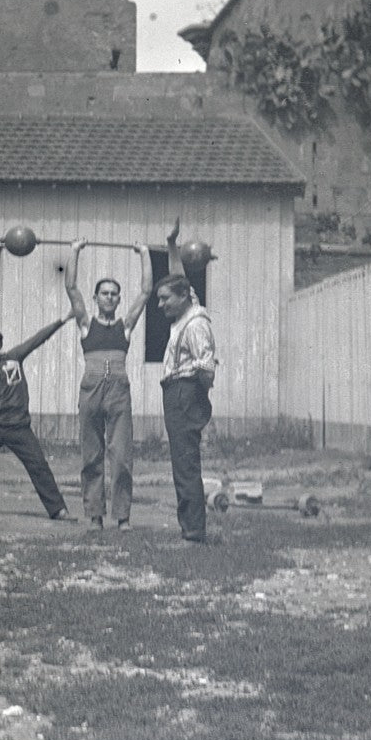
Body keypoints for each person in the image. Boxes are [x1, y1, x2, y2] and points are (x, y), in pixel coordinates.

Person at [65, 238, 153, 530]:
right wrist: (75, 251)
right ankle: (94, 515)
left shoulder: (124, 326)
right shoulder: (85, 324)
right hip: (91, 390)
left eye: (115, 294)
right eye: (104, 293)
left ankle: (123, 517)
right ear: (95, 297)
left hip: (118, 392)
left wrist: (144, 254)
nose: (110, 298)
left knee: (121, 456)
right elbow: (71, 287)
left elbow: (146, 291)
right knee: (91, 455)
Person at [0, 318, 74, 520]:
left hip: (19, 427)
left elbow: (38, 339)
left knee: (39, 466)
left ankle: (58, 510)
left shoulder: (14, 357)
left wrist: (63, 320)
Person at [157, 224, 218, 544]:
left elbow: (207, 365)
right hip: (178, 391)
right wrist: (171, 244)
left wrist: (195, 395)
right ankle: (190, 528)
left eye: (165, 299)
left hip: (184, 392)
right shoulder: (188, 306)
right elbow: (177, 274)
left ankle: (193, 532)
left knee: (185, 464)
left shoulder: (195, 325)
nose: (160, 304)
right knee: (182, 462)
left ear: (182, 298)